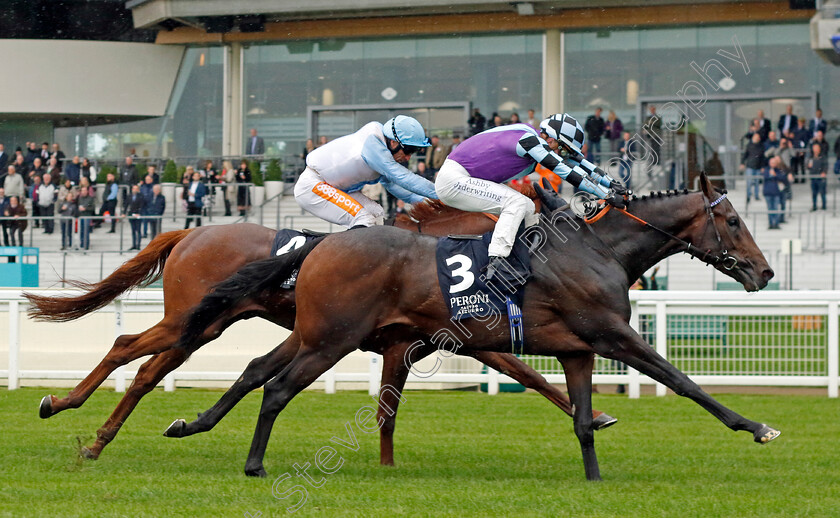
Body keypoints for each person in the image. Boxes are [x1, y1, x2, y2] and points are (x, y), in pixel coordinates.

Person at [436, 113, 626, 278]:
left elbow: (580, 163)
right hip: (453, 179)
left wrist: (613, 184)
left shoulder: (536, 138)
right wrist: (606, 194)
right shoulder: (530, 141)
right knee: (516, 203)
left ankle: (530, 257)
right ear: (551, 139)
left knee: (527, 207)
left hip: (461, 178)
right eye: (563, 149)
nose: (562, 154)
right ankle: (497, 262)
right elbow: (564, 170)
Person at [295, 115, 437, 228]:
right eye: (408, 150)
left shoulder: (384, 151)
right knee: (364, 218)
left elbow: (398, 189)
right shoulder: (374, 147)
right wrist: (443, 194)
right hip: (313, 186)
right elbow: (404, 178)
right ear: (393, 142)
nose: (408, 157)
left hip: (340, 189)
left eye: (414, 151)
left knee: (377, 213)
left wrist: (428, 203)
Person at [762, 157, 789, 230]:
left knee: (776, 208)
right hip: (768, 192)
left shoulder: (778, 171)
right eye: (772, 163)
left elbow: (783, 177)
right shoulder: (766, 170)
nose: (773, 164)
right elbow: (765, 176)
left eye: (774, 163)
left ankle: (776, 223)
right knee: (770, 209)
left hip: (776, 192)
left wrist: (775, 175)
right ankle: (771, 223)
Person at [740, 133, 765, 203]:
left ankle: (756, 196)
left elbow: (762, 158)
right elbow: (745, 155)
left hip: (758, 167)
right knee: (749, 182)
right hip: (750, 166)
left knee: (757, 182)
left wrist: (762, 166)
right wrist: (742, 163)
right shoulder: (749, 146)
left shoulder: (761, 146)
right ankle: (748, 196)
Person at [125, 183, 145, 250]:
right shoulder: (129, 196)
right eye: (134, 188)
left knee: (138, 230)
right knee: (133, 230)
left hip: (138, 215)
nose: (135, 190)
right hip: (131, 214)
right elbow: (126, 205)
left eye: (136, 189)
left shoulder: (141, 196)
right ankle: (133, 244)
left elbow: (142, 206)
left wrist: (139, 213)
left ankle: (138, 245)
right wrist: (124, 213)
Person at [808, 143, 828, 211]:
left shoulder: (823, 157)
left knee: (822, 192)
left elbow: (825, 165)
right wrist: (808, 165)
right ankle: (814, 206)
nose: (815, 149)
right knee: (814, 193)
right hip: (813, 177)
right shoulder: (811, 157)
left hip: (820, 177)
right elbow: (807, 165)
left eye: (816, 148)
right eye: (814, 148)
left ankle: (824, 205)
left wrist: (824, 172)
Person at [77, 185, 95, 250]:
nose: (83, 192)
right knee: (81, 231)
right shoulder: (80, 198)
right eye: (82, 190)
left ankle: (86, 245)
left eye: (85, 190)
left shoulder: (90, 198)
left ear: (87, 191)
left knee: (86, 231)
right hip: (81, 216)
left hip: (87, 216)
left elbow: (92, 207)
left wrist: (85, 208)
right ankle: (81, 244)